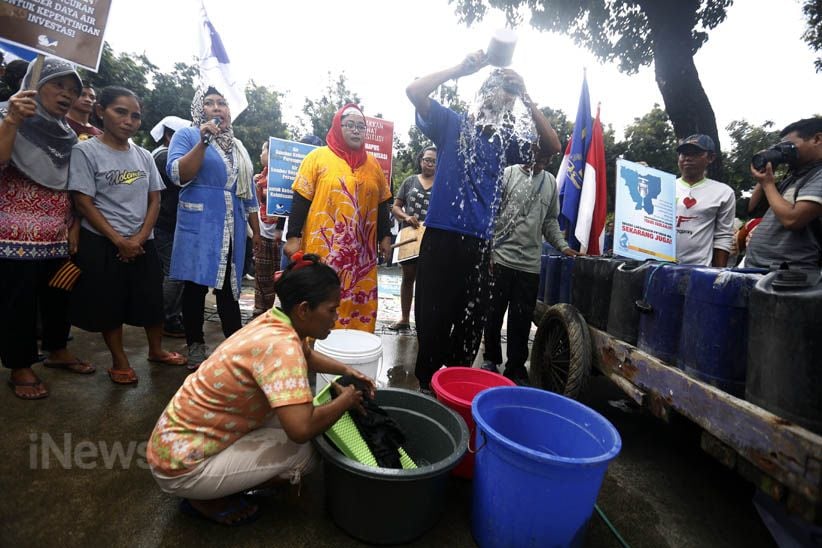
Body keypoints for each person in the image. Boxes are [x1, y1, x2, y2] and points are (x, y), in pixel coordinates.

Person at [147, 253, 373, 525]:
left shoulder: (275, 320)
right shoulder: (282, 347)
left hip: (172, 444)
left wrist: (347, 370)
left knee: (300, 413)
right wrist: (346, 399)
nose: (335, 318)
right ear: (304, 309)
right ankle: (206, 498)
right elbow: (301, 429)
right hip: (182, 469)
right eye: (331, 310)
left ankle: (217, 480)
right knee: (308, 453)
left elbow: (307, 355)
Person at [406, 51, 561, 392]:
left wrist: (526, 95)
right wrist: (460, 68)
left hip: (479, 245)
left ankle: (454, 386)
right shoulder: (451, 124)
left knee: (471, 324)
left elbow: (552, 145)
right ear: (482, 95)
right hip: (442, 237)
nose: (500, 104)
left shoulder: (505, 143)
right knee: (431, 318)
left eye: (508, 100)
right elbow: (414, 91)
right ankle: (427, 385)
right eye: (497, 95)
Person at [69, 87, 187, 384]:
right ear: (101, 111)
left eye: (135, 116)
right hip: (102, 241)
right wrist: (119, 240)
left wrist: (139, 238)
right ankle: (119, 360)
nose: (129, 121)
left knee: (151, 300)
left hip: (143, 242)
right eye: (120, 112)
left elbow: (155, 199)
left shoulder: (144, 156)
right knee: (109, 303)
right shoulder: (85, 151)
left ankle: (156, 350)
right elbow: (83, 201)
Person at [0, 58, 92, 399]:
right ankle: (20, 366)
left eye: (73, 90)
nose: (67, 95)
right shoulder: (7, 114)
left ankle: (57, 349)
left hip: (58, 233)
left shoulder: (67, 134)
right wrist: (12, 120)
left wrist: (74, 224)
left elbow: (73, 184)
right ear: (35, 84)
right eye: (58, 85)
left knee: (59, 295)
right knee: (19, 303)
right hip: (13, 234)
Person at [166, 87, 260, 369]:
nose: (217, 108)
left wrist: (257, 234)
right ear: (200, 109)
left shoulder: (238, 146)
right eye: (209, 103)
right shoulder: (187, 135)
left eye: (222, 103)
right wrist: (203, 141)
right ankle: (195, 346)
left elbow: (249, 193)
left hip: (233, 225)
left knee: (230, 287)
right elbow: (178, 174)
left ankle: (234, 348)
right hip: (200, 222)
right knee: (195, 287)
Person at [284, 104, 393, 333]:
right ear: (337, 126)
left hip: (362, 255)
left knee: (358, 303)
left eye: (361, 126)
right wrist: (293, 236)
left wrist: (385, 236)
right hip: (325, 250)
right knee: (321, 297)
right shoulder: (317, 158)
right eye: (350, 125)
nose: (356, 130)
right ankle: (317, 348)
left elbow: (382, 203)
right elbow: (301, 198)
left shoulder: (373, 165)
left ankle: (356, 344)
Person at [481, 147, 576, 383]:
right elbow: (491, 213)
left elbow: (550, 221)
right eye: (541, 153)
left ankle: (515, 367)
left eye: (549, 156)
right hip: (501, 258)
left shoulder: (550, 182)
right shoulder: (508, 174)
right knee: (493, 313)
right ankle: (491, 358)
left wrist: (563, 246)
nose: (545, 159)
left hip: (530, 264)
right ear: (530, 149)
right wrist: (489, 252)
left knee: (521, 319)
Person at [745, 117, 822, 269]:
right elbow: (753, 209)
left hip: (791, 274)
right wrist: (765, 173)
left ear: (817, 139)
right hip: (761, 268)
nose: (784, 152)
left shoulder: (818, 175)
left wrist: (768, 184)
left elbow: (793, 220)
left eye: (789, 146)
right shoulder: (793, 177)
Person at [388, 145, 437, 331]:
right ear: (420, 160)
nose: (430, 164)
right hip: (409, 236)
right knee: (408, 277)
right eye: (427, 160)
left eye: (434, 161)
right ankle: (404, 318)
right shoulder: (409, 182)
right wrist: (406, 217)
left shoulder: (442, 184)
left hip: (432, 238)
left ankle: (424, 322)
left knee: (428, 281)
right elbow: (395, 207)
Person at [149, 115, 190, 338]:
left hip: (170, 223)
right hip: (165, 223)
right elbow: (184, 179)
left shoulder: (164, 154)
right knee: (174, 272)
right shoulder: (164, 156)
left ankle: (170, 315)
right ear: (168, 136)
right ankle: (166, 318)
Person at [674, 134, 735, 266]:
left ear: (711, 157)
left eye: (695, 153)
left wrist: (718, 273)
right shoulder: (663, 187)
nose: (687, 158)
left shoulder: (723, 192)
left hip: (699, 269)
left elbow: (723, 236)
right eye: (684, 154)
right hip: (658, 267)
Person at [252, 139, 286, 315]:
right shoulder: (259, 179)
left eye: (263, 150)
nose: (261, 154)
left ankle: (275, 309)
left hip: (279, 232)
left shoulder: (284, 177)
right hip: (262, 229)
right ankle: (260, 306)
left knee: (278, 272)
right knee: (261, 270)